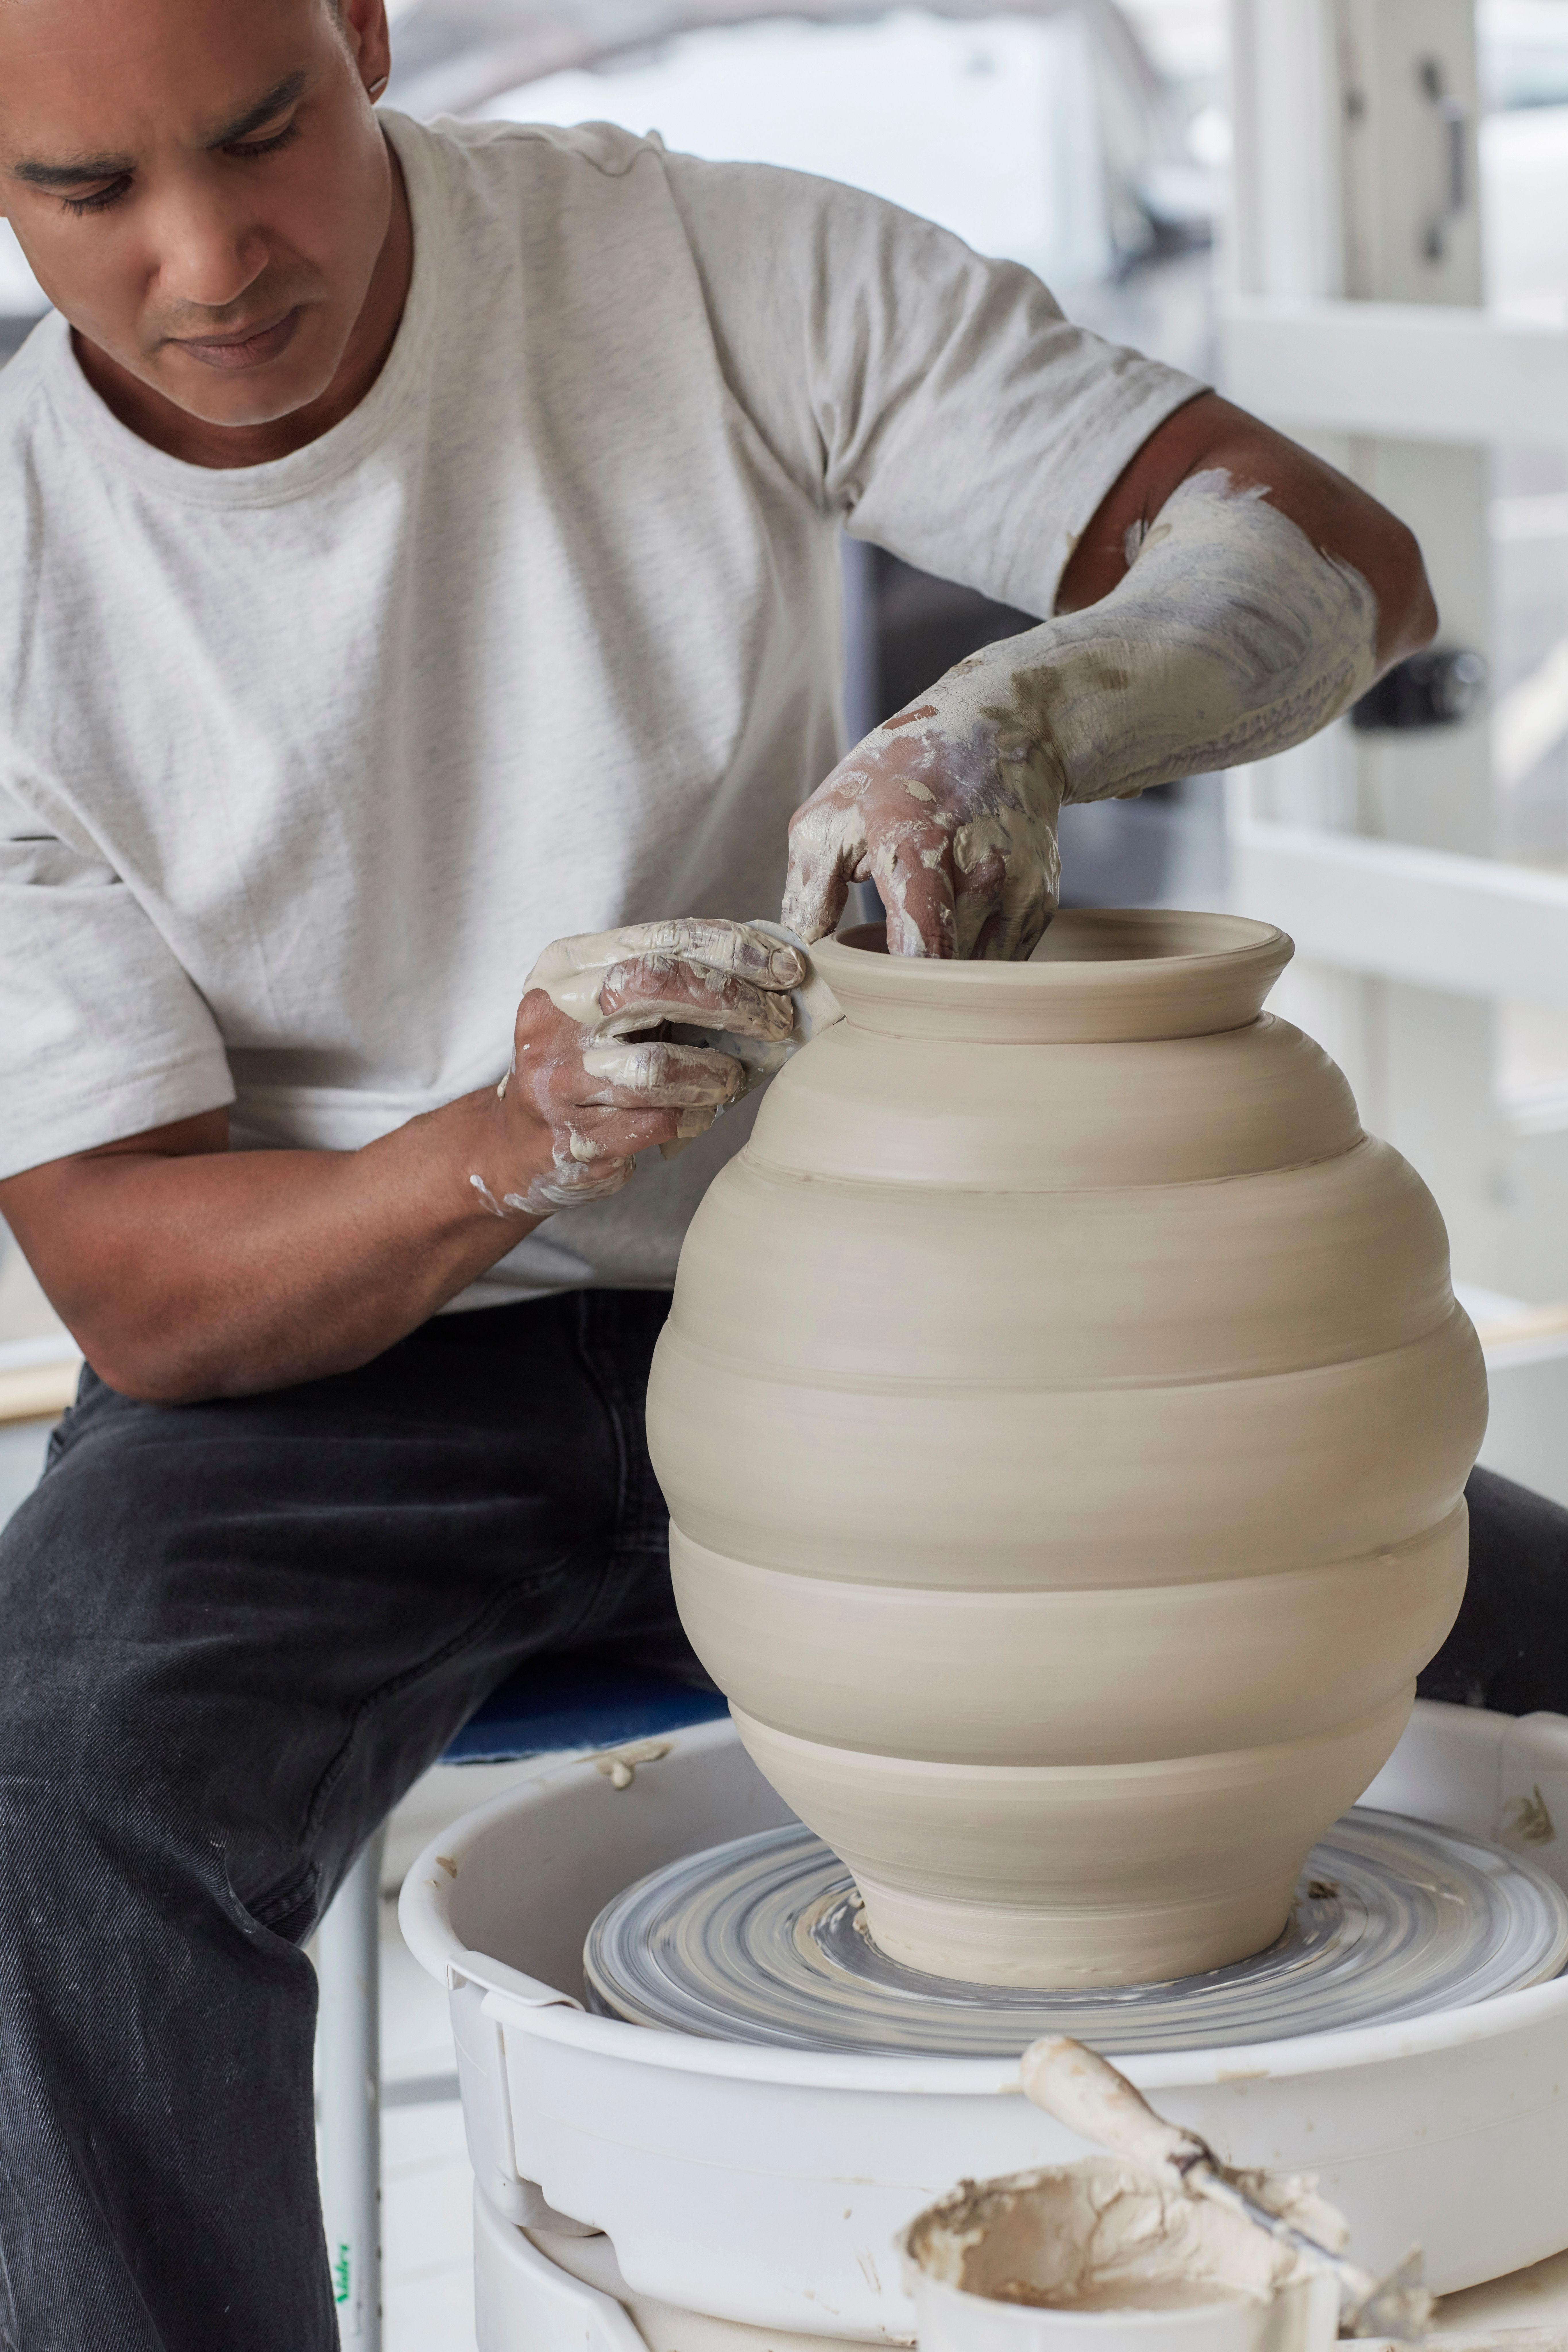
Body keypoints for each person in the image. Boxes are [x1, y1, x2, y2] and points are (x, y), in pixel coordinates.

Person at [0, 0, 1559, 2342]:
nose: (209, 259)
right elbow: (141, 1282)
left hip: (883, 1320)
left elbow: (1323, 554)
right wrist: (506, 1144)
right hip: (347, 1365)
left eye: (261, 135)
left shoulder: (694, 264)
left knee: (1512, 1627)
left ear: (362, 32)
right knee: (51, 1809)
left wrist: (1032, 707)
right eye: (85, 193)